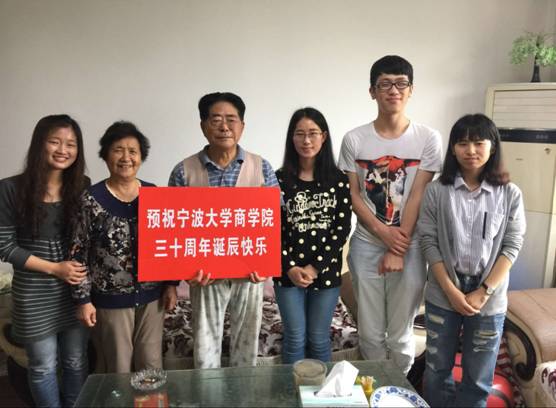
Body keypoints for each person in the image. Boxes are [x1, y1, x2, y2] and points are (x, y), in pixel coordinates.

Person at [338, 55, 443, 374]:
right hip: (367, 243)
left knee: (400, 334)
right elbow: (353, 194)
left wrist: (398, 247)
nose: (393, 90)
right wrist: (382, 233)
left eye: (401, 83)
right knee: (370, 333)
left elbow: (418, 193)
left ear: (411, 90)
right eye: (385, 84)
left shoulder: (428, 138)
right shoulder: (354, 139)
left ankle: (399, 389)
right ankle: (375, 389)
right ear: (372, 91)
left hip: (410, 246)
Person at [418, 114, 526, 407]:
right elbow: (428, 242)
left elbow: (512, 245)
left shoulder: (510, 194)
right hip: (443, 291)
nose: (471, 150)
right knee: (436, 371)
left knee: (478, 379)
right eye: (463, 143)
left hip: (489, 295)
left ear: (493, 147)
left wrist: (484, 291)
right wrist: (451, 291)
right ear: (453, 149)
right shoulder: (437, 191)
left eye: (479, 143)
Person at [168, 92, 280, 368]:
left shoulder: (261, 167)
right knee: (205, 351)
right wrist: (187, 269)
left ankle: (243, 392)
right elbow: (173, 227)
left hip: (249, 272)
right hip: (204, 273)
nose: (224, 126)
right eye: (216, 119)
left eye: (231, 119)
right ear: (203, 126)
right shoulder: (184, 171)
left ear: (242, 125)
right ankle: (209, 392)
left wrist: (265, 264)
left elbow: (275, 219)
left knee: (246, 348)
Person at [71, 121, 177, 373]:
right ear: (106, 155)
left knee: (151, 367)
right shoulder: (90, 199)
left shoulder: (154, 194)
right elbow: (78, 253)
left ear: (141, 156)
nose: (126, 157)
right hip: (110, 301)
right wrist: (83, 299)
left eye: (133, 151)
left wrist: (171, 284)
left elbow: (170, 241)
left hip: (152, 297)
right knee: (117, 367)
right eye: (118, 150)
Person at [0, 114, 89, 407]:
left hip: (74, 290)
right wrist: (55, 268)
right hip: (33, 292)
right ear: (40, 144)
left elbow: (87, 240)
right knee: (42, 366)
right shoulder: (10, 188)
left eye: (71, 144)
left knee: (76, 360)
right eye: (55, 142)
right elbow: (4, 246)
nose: (63, 150)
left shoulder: (82, 186)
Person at [274, 107, 351, 363]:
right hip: (287, 273)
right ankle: (292, 388)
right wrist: (290, 267)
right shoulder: (278, 179)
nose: (306, 140)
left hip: (325, 272)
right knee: (295, 337)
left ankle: (323, 389)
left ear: (324, 137)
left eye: (313, 133)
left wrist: (315, 267)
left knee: (318, 338)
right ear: (291, 138)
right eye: (300, 134)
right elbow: (272, 229)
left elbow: (341, 229)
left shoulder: (339, 180)